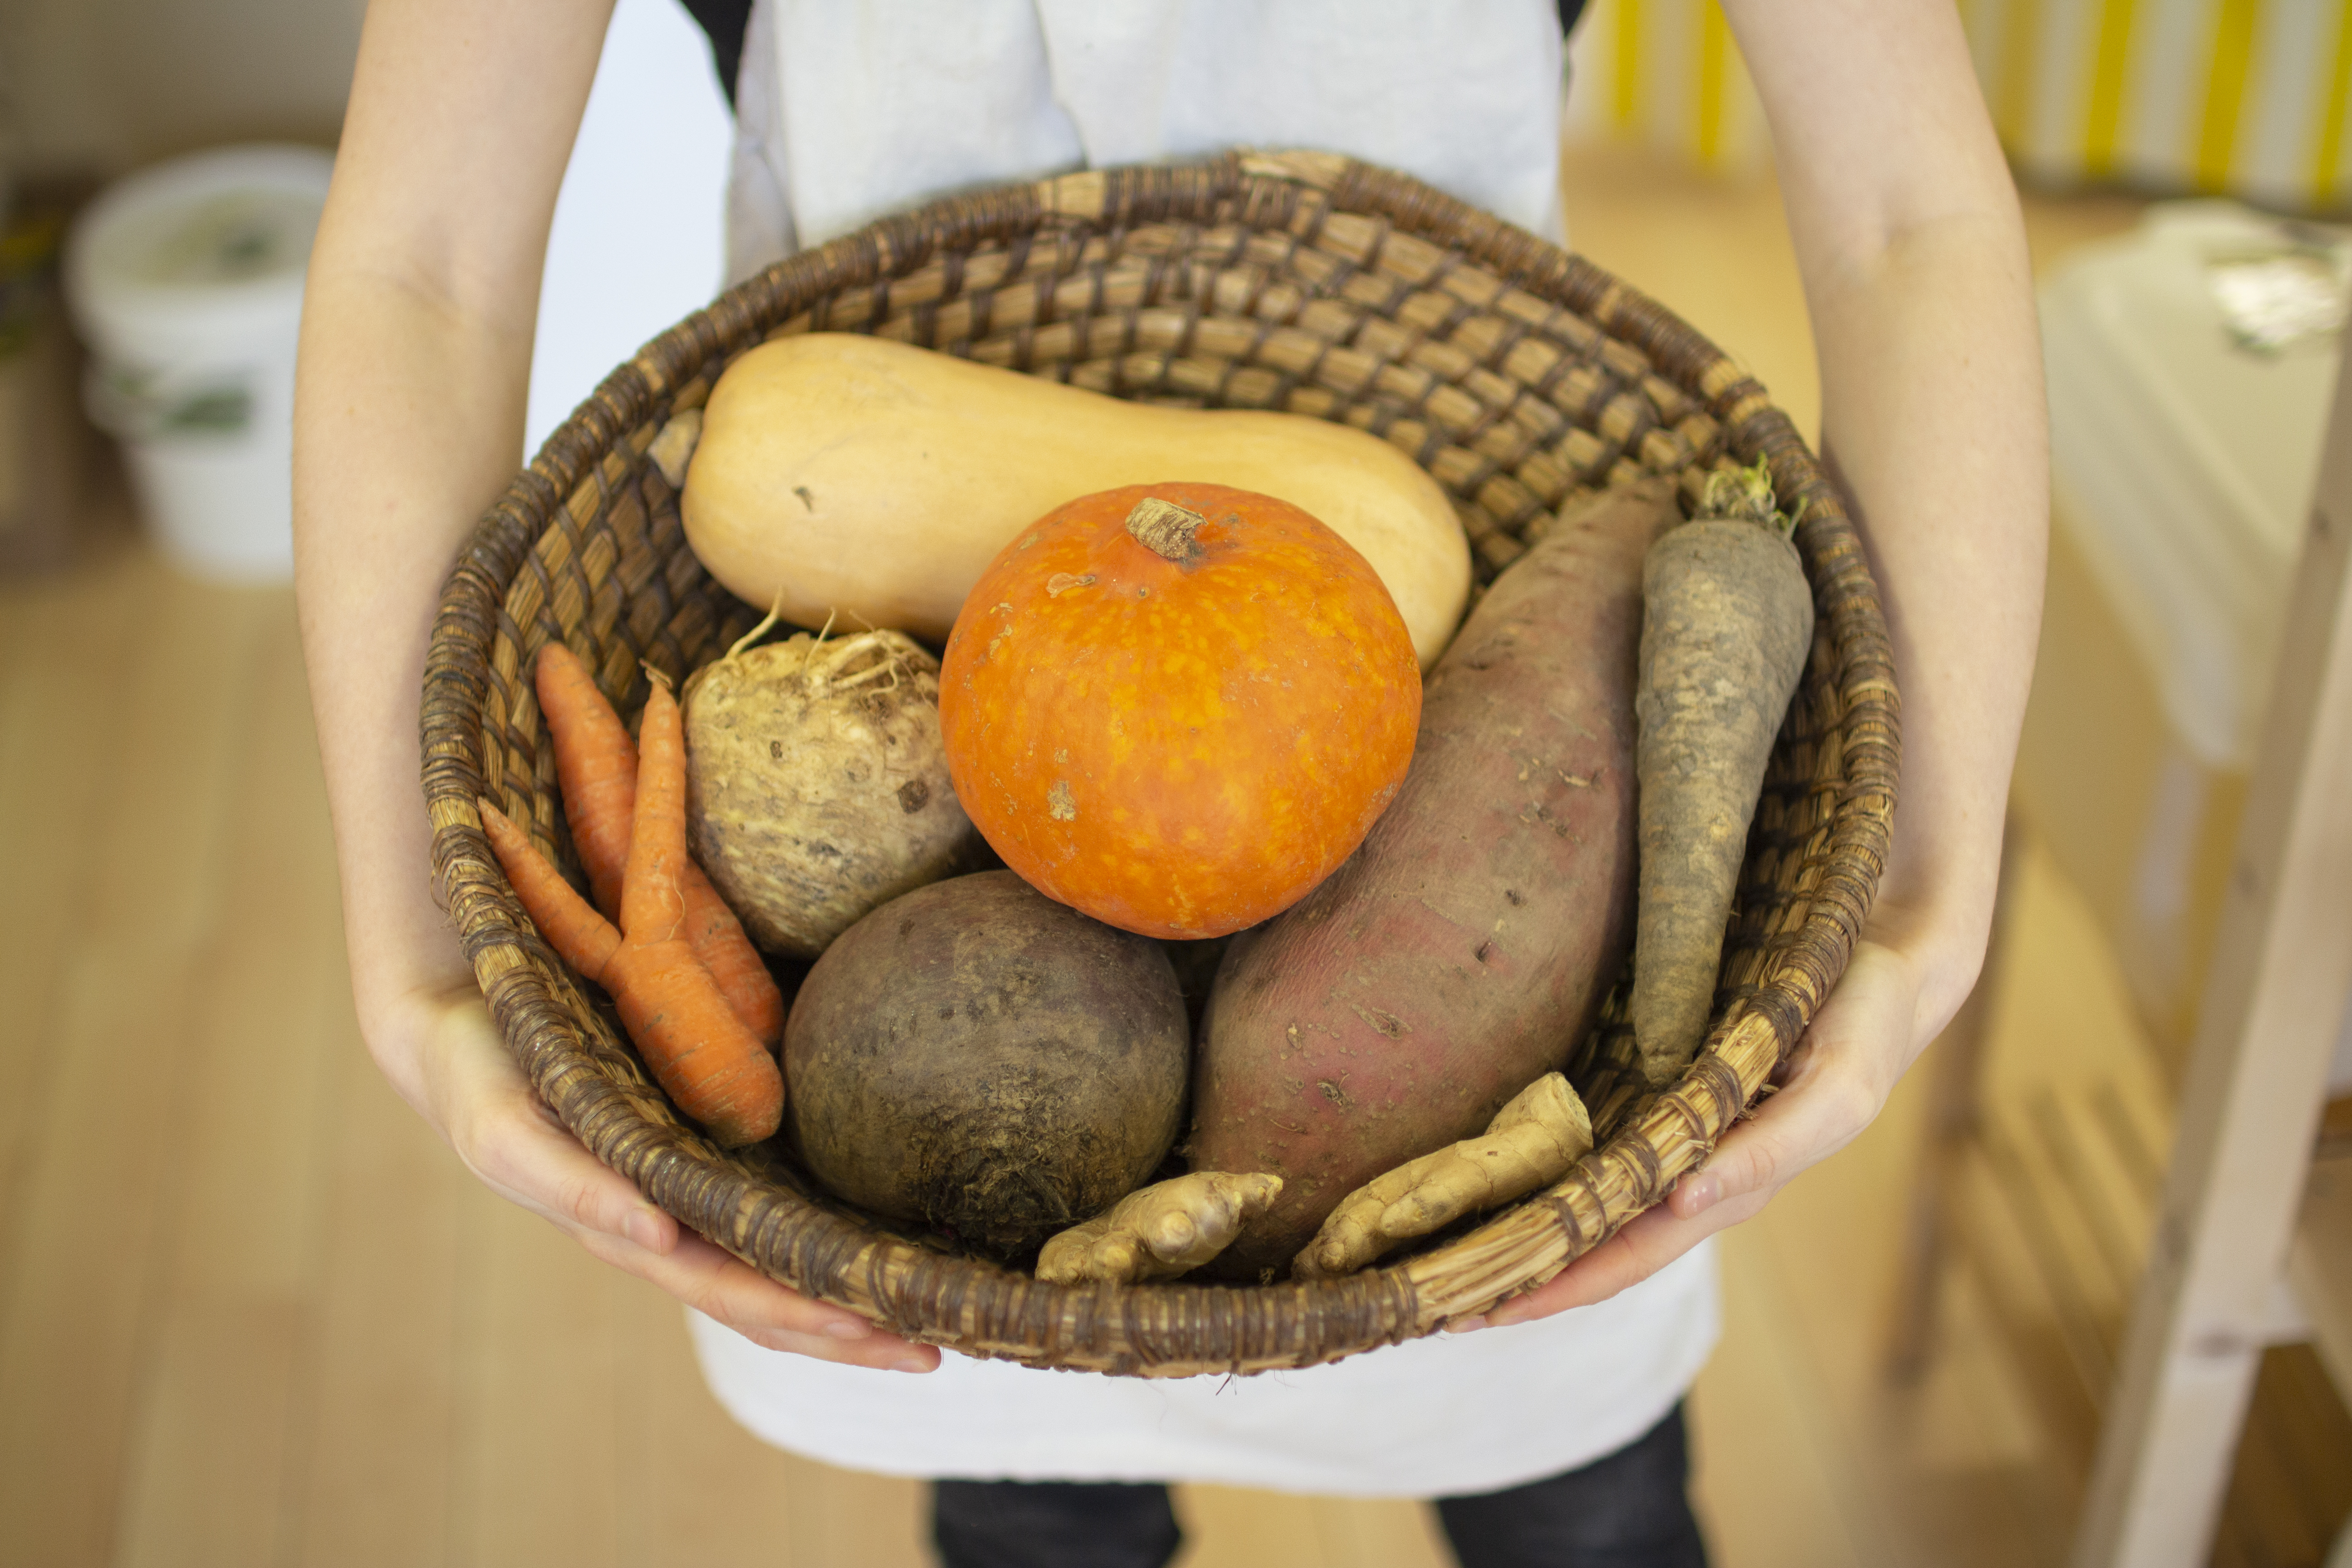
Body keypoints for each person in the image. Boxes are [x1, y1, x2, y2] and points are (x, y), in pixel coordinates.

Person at [292, 3, 2047, 1563]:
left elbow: (1914, 222)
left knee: (1586, 1507)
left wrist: (1926, 899)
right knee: (1030, 1505)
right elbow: (419, 265)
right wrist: (415, 960)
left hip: (1481, 779)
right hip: (908, 929)